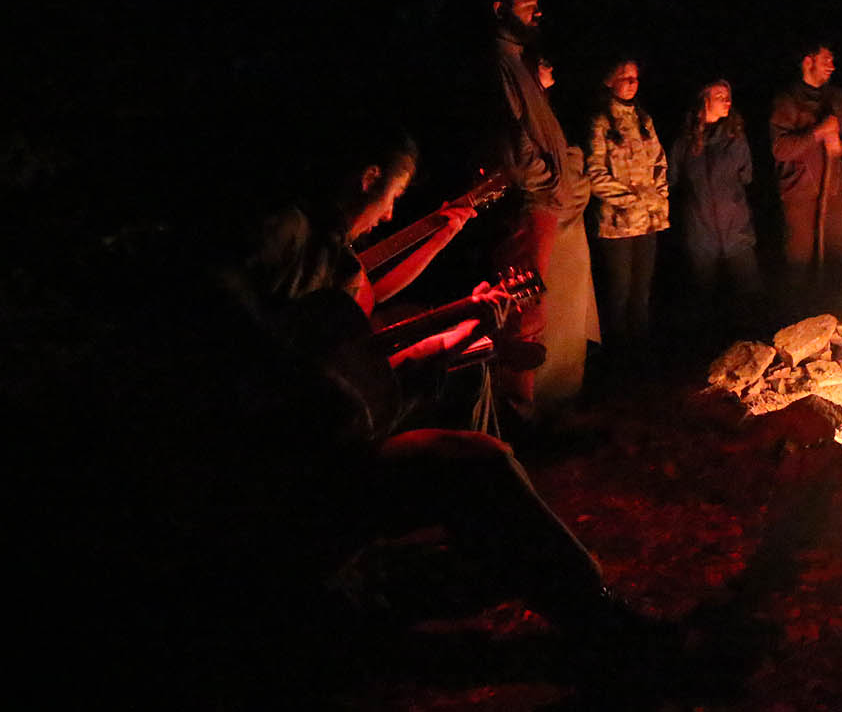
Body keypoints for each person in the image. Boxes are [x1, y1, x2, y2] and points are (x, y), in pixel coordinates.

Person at [208, 133, 666, 686]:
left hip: (338, 440)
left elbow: (361, 347)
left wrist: (445, 337)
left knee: (468, 397)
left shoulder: (333, 255)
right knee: (476, 463)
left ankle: (526, 562)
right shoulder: (287, 229)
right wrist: (284, 362)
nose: (392, 212)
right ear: (367, 177)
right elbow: (216, 297)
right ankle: (599, 620)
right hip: (282, 474)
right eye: (393, 195)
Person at [484, 0, 576, 419]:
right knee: (524, 306)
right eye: (528, 5)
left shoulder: (517, 62)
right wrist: (547, 179)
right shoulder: (498, 64)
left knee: (529, 304)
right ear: (500, 7)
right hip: (530, 200)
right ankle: (516, 414)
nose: (537, 13)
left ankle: (520, 409)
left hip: (541, 198)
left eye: (539, 5)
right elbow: (513, 139)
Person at [586, 58, 669, 367]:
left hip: (648, 222)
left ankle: (642, 357)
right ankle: (618, 360)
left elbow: (660, 161)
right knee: (618, 294)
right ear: (610, 80)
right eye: (625, 77)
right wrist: (631, 199)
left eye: (635, 77)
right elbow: (595, 175)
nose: (632, 83)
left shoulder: (644, 119)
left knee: (642, 292)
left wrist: (659, 196)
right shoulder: (601, 123)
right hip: (616, 226)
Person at [531, 57, 601, 406]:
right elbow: (538, 172)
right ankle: (541, 396)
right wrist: (571, 178)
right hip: (547, 231)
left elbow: (570, 162)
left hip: (569, 233)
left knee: (570, 315)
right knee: (548, 315)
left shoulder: (548, 112)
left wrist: (574, 171)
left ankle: (565, 392)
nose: (552, 67)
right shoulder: (524, 116)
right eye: (544, 63)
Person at [770, 40, 842, 302]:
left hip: (833, 191)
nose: (832, 66)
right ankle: (800, 320)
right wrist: (817, 133)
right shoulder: (787, 101)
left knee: (838, 257)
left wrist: (840, 146)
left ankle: (840, 320)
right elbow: (780, 149)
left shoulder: (839, 99)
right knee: (799, 261)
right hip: (799, 193)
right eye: (826, 60)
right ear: (808, 62)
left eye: (833, 60)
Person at [669, 80, 761, 327]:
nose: (727, 100)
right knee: (704, 302)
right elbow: (673, 181)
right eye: (720, 95)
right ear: (704, 100)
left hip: (737, 233)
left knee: (748, 299)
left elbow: (747, 175)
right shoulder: (684, 143)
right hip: (701, 236)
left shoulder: (735, 139)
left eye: (729, 95)